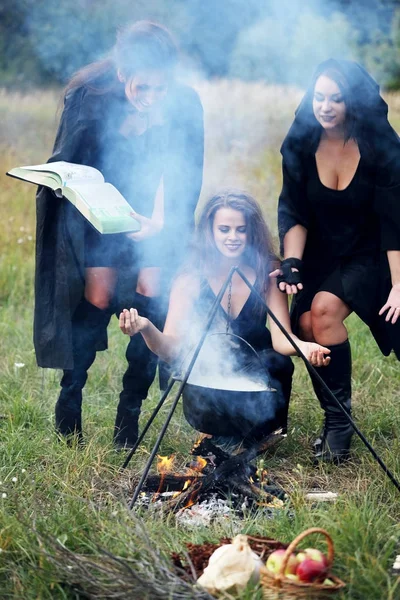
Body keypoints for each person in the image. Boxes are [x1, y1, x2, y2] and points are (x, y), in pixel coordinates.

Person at [34, 21, 204, 447]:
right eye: (141, 87)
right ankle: (69, 405)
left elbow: (183, 174)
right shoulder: (89, 96)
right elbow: (69, 165)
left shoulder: (183, 104)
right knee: (98, 298)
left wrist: (160, 224)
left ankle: (128, 416)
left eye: (159, 88)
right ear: (123, 74)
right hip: (98, 213)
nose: (150, 97)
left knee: (150, 294)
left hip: (156, 212)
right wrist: (95, 207)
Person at [120, 190, 331, 449]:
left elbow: (281, 339)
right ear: (210, 231)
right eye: (224, 229)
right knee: (223, 442)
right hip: (212, 375)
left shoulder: (267, 270)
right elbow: (171, 349)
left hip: (259, 373)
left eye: (240, 230)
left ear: (251, 232)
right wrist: (146, 328)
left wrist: (304, 348)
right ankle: (221, 434)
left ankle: (264, 433)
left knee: (278, 362)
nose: (233, 237)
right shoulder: (191, 276)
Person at [276, 58, 400, 463]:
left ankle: (340, 427)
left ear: (354, 103)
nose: (325, 107)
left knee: (323, 310)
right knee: (307, 324)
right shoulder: (300, 143)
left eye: (336, 99)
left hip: (370, 254)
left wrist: (399, 285)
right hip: (319, 254)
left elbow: (393, 220)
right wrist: (292, 261)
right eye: (319, 97)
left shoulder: (380, 147)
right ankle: (336, 420)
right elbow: (293, 209)